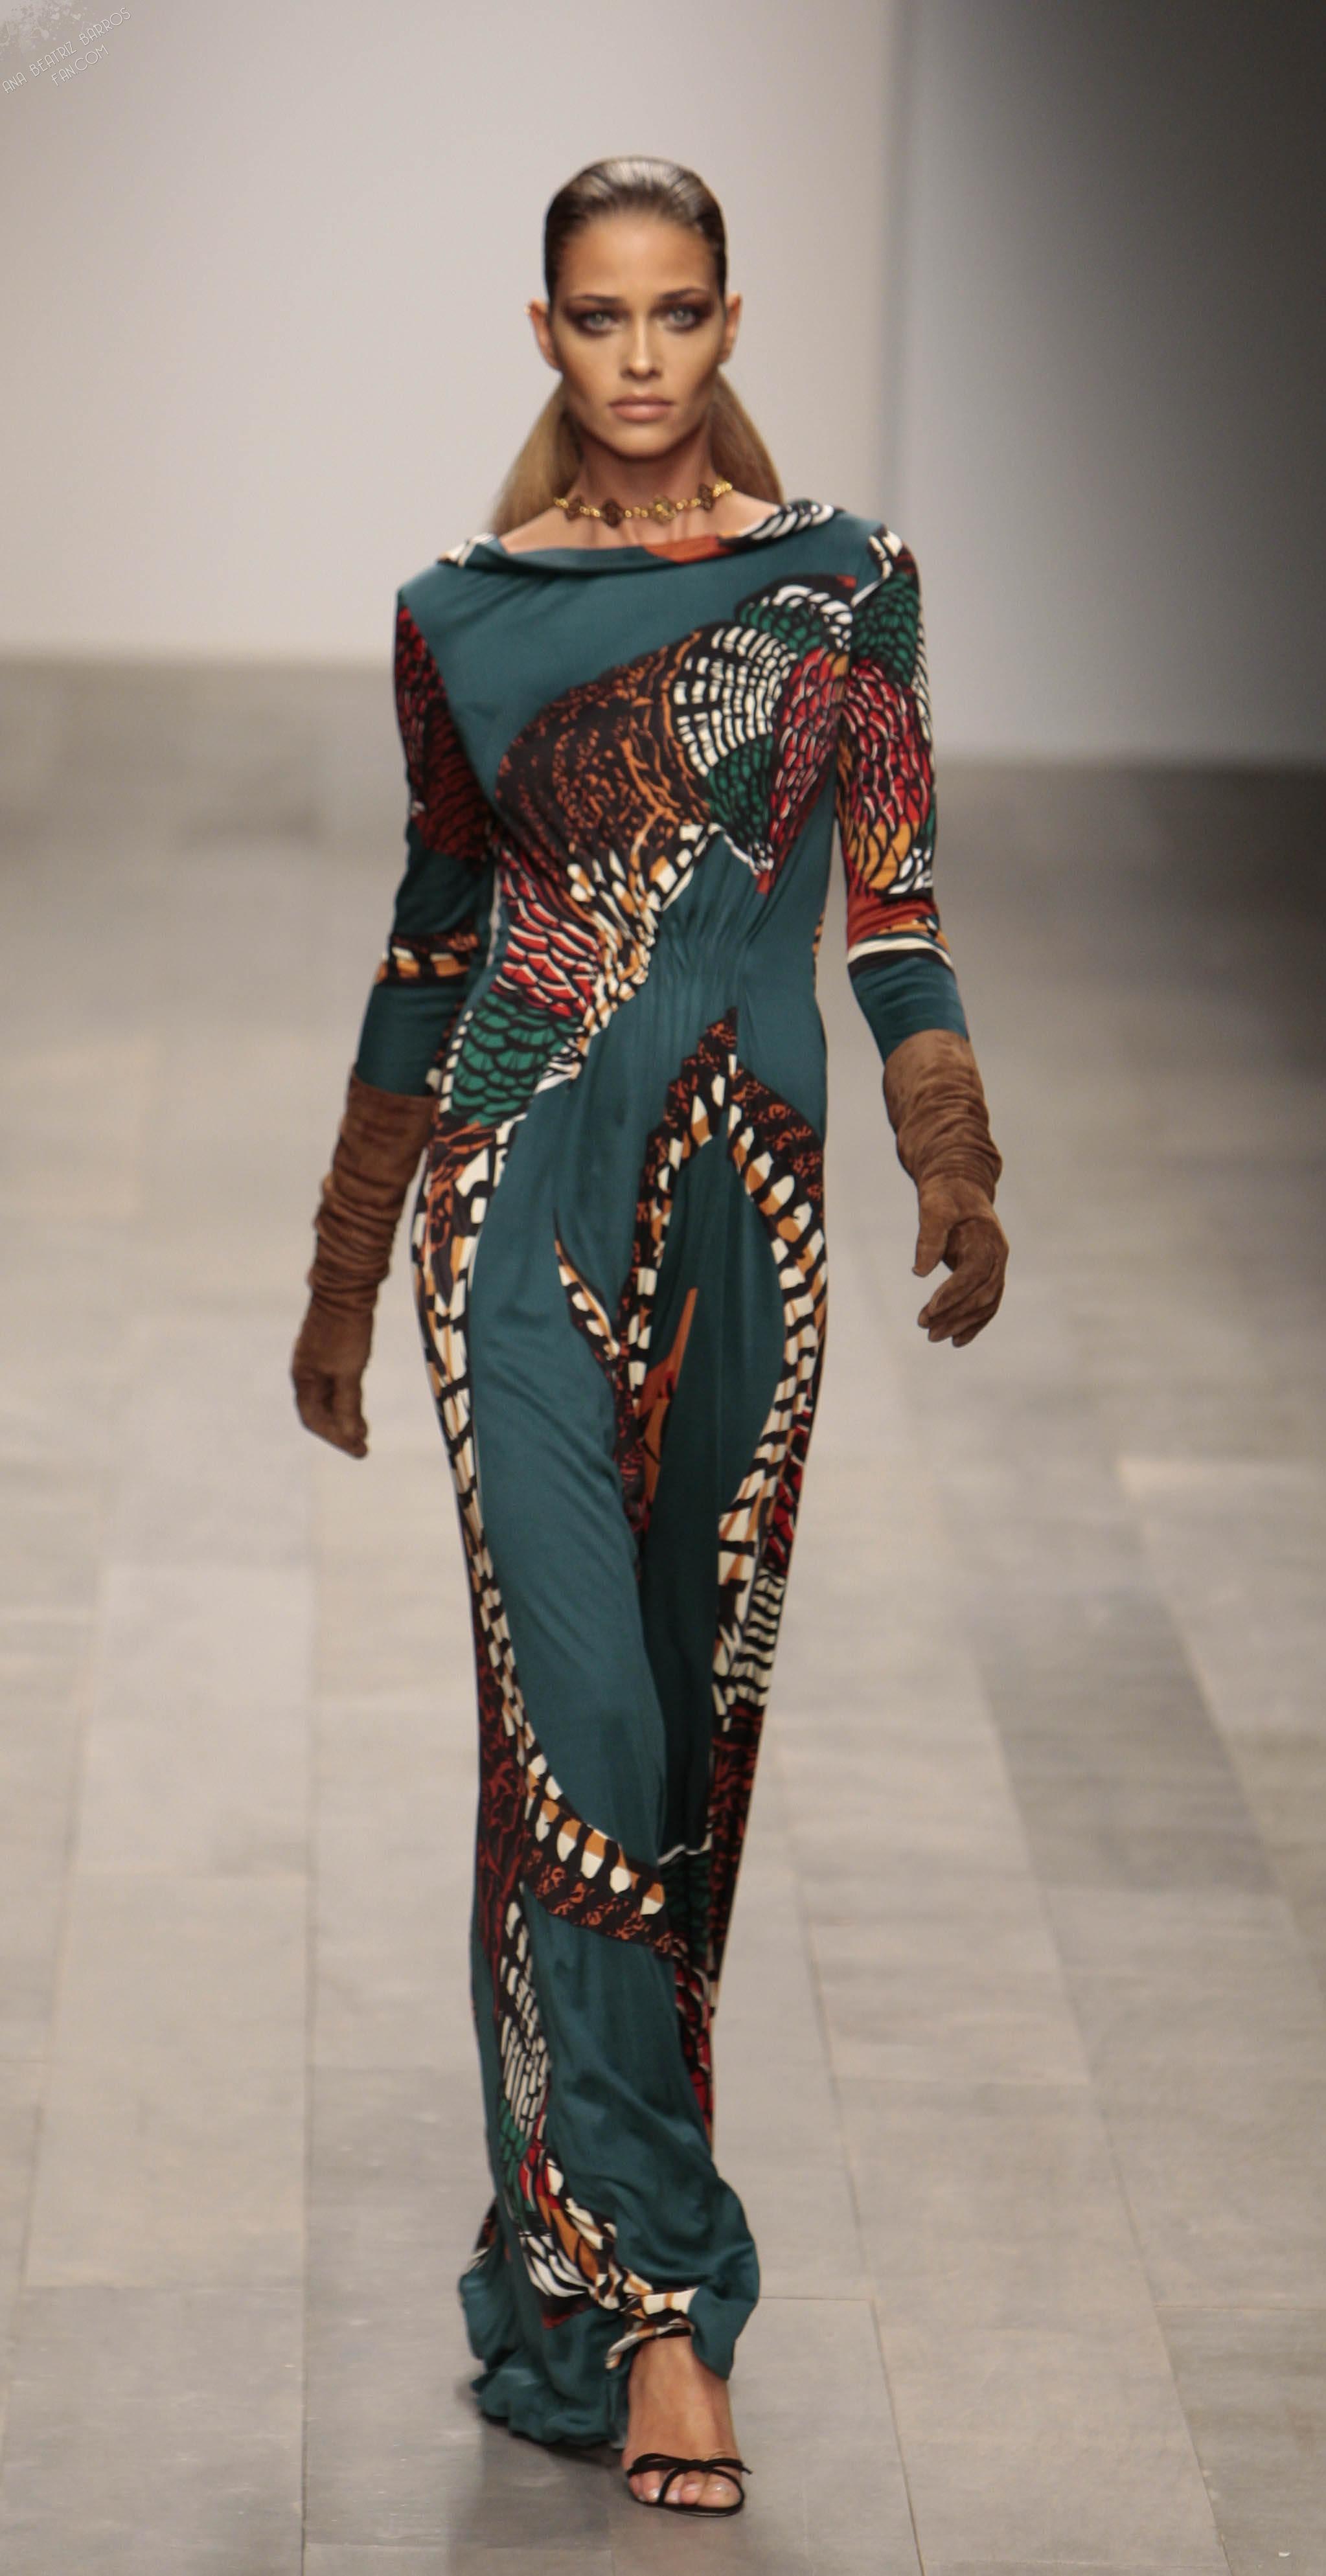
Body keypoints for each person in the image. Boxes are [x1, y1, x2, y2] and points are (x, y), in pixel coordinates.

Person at [291, 154, 1008, 2518]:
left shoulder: (849, 589)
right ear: (544, 333)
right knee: (579, 1722)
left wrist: (952, 1150)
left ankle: (556, 2256)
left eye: (676, 312)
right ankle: (668, 2310)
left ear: (725, 322)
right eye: (597, 316)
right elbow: (435, 932)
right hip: (511, 1203)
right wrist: (344, 1261)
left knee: (668, 1759)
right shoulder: (460, 619)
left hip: (742, 1213)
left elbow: (894, 903)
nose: (636, 355)